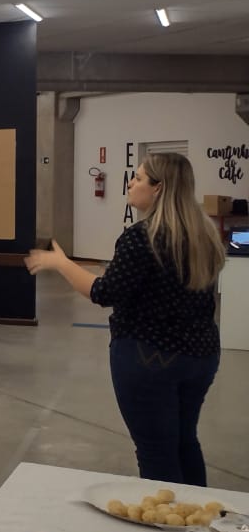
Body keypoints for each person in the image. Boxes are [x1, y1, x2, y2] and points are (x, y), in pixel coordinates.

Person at [25, 152, 222, 485]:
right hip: (200, 356)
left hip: (150, 357)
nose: (130, 183)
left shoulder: (142, 237)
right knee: (185, 441)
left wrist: (61, 263)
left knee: (156, 452)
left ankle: (166, 517)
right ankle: (197, 514)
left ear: (158, 188)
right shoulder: (204, 235)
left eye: (139, 178)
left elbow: (104, 292)